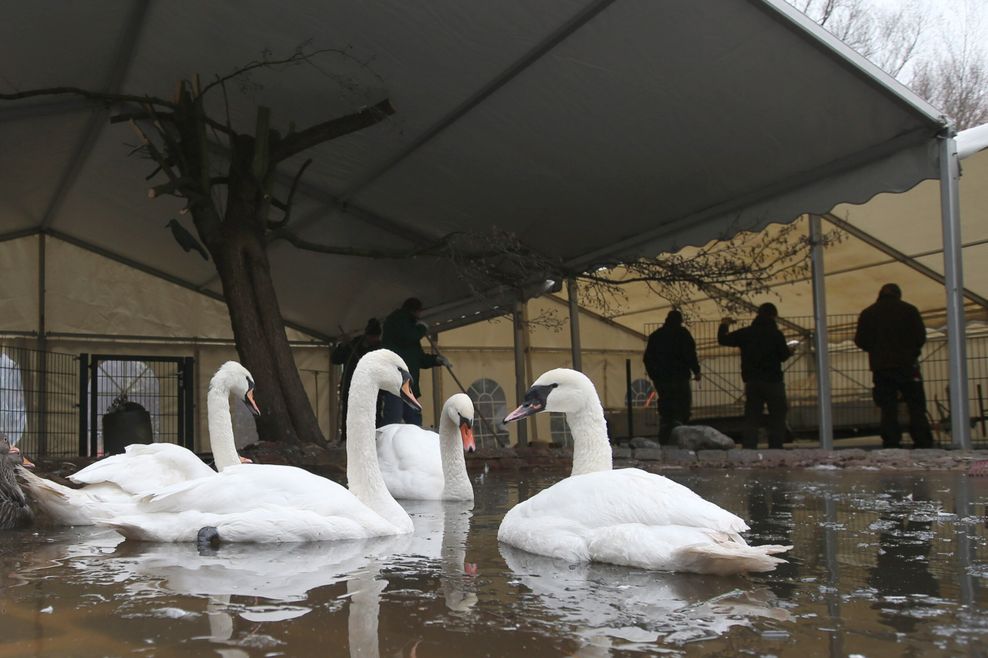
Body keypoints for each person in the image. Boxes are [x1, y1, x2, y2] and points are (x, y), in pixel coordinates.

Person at [854, 283, 933, 449]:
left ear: (880, 294)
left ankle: (891, 441)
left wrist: (876, 350)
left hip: (882, 367)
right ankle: (922, 440)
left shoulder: (868, 313)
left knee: (888, 407)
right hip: (907, 365)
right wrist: (911, 352)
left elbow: (861, 340)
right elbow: (920, 336)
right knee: (916, 405)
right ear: (898, 294)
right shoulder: (910, 310)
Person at [717, 303, 792, 449]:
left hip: (752, 381)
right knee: (777, 415)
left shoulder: (747, 333)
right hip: (773, 380)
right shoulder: (776, 334)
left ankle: (749, 447)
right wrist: (790, 351)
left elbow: (723, 340)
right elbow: (783, 356)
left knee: (752, 416)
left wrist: (724, 325)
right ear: (773, 316)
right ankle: (775, 446)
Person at [380, 297, 450, 426]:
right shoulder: (398, 321)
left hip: (406, 383)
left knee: (410, 420)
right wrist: (421, 329)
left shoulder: (410, 331)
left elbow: (418, 358)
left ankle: (410, 444)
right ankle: (388, 445)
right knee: (396, 420)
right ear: (415, 311)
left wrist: (436, 360)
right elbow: (407, 337)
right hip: (396, 381)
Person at [643, 309, 701, 444]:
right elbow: (690, 355)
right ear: (680, 321)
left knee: (666, 408)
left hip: (662, 380)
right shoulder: (683, 334)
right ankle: (681, 436)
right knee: (682, 407)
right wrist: (696, 371)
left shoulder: (656, 336)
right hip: (680, 377)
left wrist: (655, 376)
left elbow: (648, 359)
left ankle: (665, 437)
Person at [330, 317, 383, 441]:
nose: (374, 340)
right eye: (372, 336)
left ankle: (372, 442)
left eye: (376, 337)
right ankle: (346, 441)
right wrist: (343, 345)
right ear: (366, 335)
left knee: (372, 418)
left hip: (372, 390)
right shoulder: (353, 344)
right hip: (352, 388)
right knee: (350, 418)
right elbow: (335, 359)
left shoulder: (380, 349)